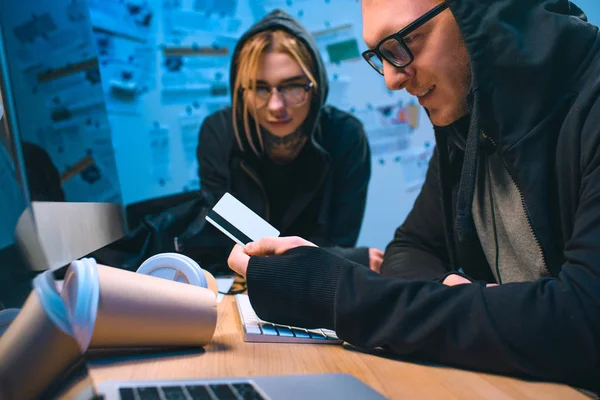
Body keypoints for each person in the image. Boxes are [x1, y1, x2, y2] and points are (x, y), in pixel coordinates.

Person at [227, 0, 600, 393]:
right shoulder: (466, 123)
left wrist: (335, 292)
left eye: (405, 41)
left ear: (481, 13)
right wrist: (471, 305)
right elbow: (408, 248)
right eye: (381, 56)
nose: (390, 78)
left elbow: (584, 323)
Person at [196, 9, 383, 272]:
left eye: (293, 86)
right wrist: (351, 258)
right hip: (239, 280)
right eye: (260, 88)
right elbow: (228, 244)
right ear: (242, 92)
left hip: (317, 288)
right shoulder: (219, 132)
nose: (276, 106)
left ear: (315, 86)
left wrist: (340, 257)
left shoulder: (346, 136)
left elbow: (339, 244)